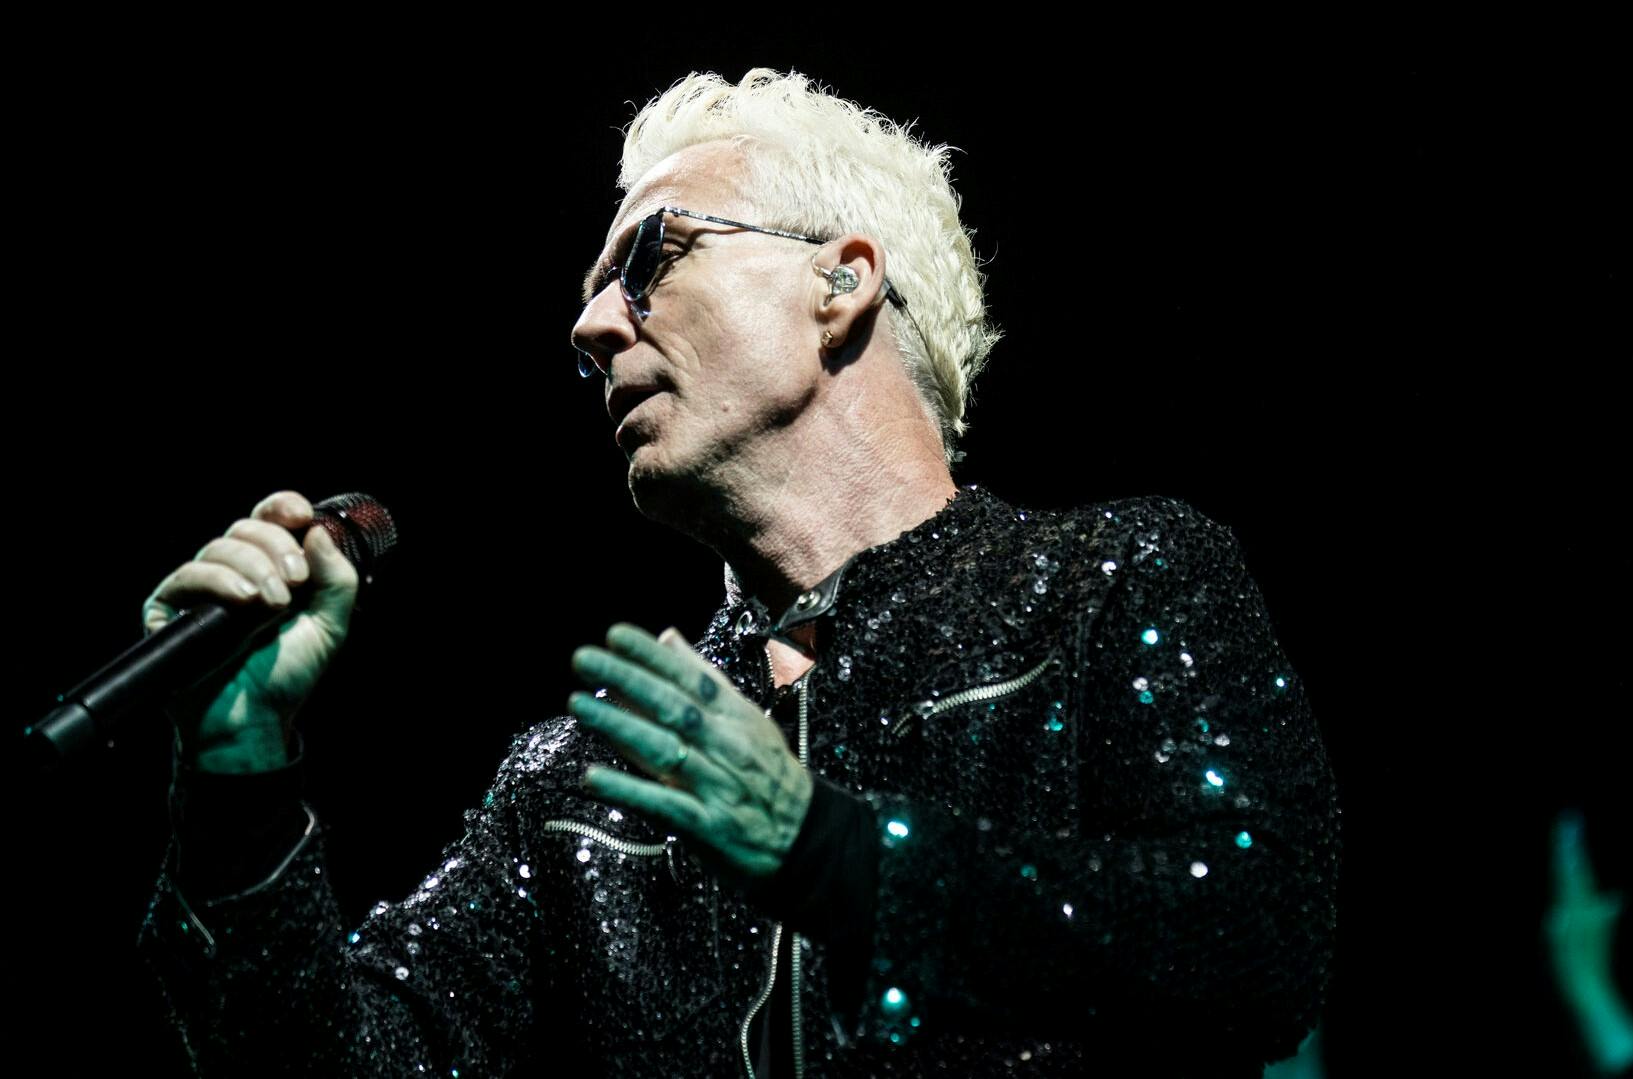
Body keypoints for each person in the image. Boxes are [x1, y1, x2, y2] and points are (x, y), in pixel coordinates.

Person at [136, 68, 1341, 1076]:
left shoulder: (1109, 584)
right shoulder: (584, 774)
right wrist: (238, 780)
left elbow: (1254, 935)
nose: (591, 327)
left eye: (649, 256)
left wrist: (839, 854)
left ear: (841, 280)